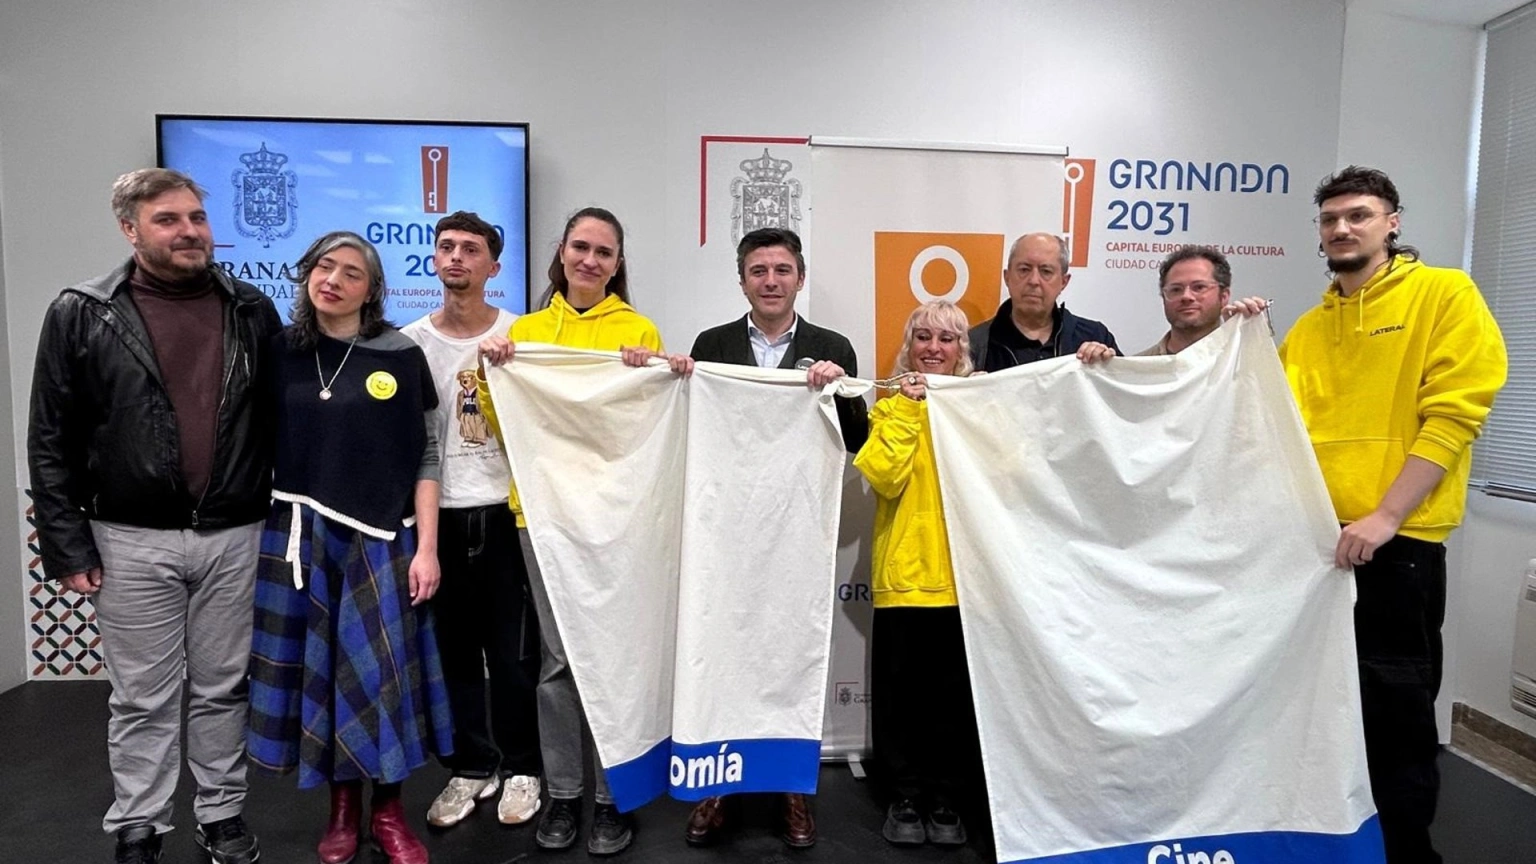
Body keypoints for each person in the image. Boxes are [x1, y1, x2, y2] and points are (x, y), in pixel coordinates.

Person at [27, 168, 278, 864]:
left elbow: (278, 421)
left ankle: (221, 813)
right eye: (168, 219)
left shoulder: (250, 309)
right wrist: (66, 543)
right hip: (128, 539)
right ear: (130, 229)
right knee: (142, 697)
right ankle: (139, 823)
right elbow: (50, 436)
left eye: (196, 217)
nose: (189, 231)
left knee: (224, 688)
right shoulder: (83, 311)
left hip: (235, 534)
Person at [1271, 166, 1506, 864]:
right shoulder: (1309, 329)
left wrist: (1386, 517)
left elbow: (1455, 415)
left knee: (1394, 718)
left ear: (1392, 222)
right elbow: (1271, 425)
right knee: (1317, 716)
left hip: (1396, 549)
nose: (1342, 228)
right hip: (1316, 551)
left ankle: (1407, 853)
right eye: (1330, 219)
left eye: (1359, 215)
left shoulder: (1444, 294)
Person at [638, 226, 867, 849]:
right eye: (759, 271)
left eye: (782, 270)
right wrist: (674, 378)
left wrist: (840, 389)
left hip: (798, 528)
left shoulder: (831, 346)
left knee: (792, 652)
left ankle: (792, 787)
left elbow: (858, 439)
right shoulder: (711, 345)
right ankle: (718, 784)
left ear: (800, 278)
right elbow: (687, 427)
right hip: (726, 530)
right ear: (742, 281)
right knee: (723, 650)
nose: (771, 281)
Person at [247, 231, 452, 864]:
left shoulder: (401, 355)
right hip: (301, 539)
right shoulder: (280, 352)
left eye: (351, 273)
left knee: (380, 677)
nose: (333, 280)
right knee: (323, 674)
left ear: (373, 290)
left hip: (383, 540)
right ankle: (341, 811)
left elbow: (426, 453)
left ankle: (388, 812)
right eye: (323, 267)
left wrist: (427, 548)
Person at [477, 207, 664, 856]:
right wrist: (493, 372)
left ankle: (613, 798)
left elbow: (646, 428)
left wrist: (649, 374)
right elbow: (503, 427)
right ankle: (563, 792)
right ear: (562, 252)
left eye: (603, 252)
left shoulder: (637, 329)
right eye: (580, 247)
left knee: (612, 658)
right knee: (557, 662)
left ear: (617, 264)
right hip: (543, 515)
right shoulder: (525, 333)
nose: (590, 260)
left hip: (614, 518)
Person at [402, 212, 543, 831]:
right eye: (447, 247)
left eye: (471, 249)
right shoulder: (409, 344)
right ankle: (471, 765)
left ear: (494, 266)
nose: (456, 256)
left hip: (508, 514)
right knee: (453, 653)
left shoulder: (522, 335)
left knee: (513, 655)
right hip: (440, 517)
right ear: (434, 260)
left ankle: (522, 766)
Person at [852, 301, 983, 849]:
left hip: (965, 580)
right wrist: (907, 407)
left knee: (952, 702)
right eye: (923, 337)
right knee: (900, 700)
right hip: (904, 577)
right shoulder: (888, 410)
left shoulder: (979, 407)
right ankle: (904, 796)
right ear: (909, 346)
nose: (933, 347)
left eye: (946, 339)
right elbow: (883, 475)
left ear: (961, 350)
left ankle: (946, 797)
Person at [969, 232, 1119, 369]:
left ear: (1064, 282)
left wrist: (1108, 368)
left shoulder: (1095, 336)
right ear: (1007, 277)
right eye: (1024, 269)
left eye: (1046, 271)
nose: (1034, 281)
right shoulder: (974, 345)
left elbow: (1124, 386)